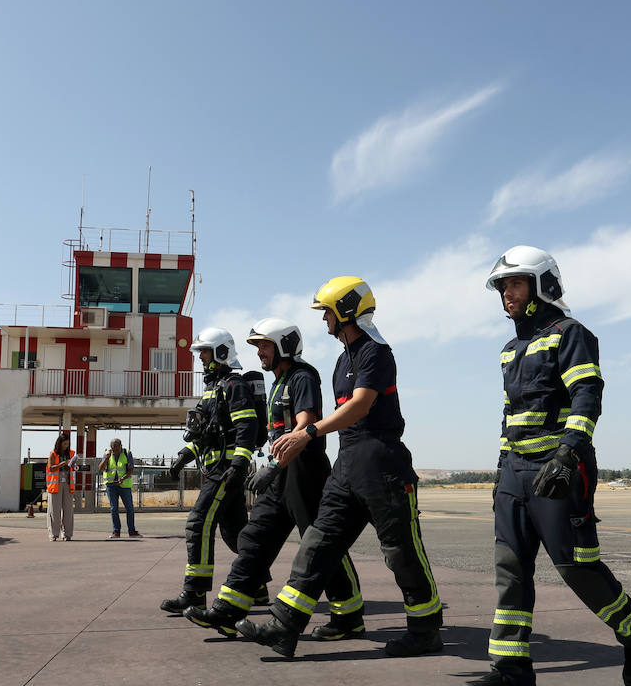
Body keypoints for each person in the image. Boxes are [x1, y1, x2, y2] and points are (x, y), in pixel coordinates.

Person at [458, 246, 631, 686]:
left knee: (577, 570)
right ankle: (511, 671)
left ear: (542, 285)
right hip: (515, 473)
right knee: (510, 570)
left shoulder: (571, 333)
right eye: (502, 286)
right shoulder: (510, 350)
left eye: (514, 283)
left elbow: (587, 394)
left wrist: (567, 455)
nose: (506, 293)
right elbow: (512, 416)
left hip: (559, 470)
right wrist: (500, 475)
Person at [237, 277, 443, 658]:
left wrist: (308, 432)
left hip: (381, 462)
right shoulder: (341, 360)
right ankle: (285, 626)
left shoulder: (375, 352)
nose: (324, 320)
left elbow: (361, 406)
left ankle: (426, 628)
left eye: (327, 312)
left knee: (401, 551)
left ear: (346, 310)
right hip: (347, 463)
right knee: (318, 542)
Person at [184, 318, 365, 639]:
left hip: (305, 471)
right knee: (255, 537)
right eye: (257, 347)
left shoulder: (302, 376)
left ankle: (349, 615)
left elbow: (305, 424)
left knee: (320, 543)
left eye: (265, 346)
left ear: (284, 346)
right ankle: (228, 609)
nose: (259, 354)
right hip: (283, 470)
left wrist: (274, 467)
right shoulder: (279, 381)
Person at [159, 328, 263, 614]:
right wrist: (184, 456)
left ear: (221, 352)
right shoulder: (212, 388)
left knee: (198, 523)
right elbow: (207, 435)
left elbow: (248, 428)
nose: (201, 357)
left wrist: (240, 462)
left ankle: (194, 593)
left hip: (226, 470)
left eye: (205, 351)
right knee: (235, 534)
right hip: (216, 467)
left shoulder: (234, 384)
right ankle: (258, 586)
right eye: (200, 352)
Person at [97, 437, 141, 538]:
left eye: (116, 448)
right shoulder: (107, 454)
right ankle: (116, 531)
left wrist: (123, 478)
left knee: (129, 508)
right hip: (111, 485)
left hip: (124, 485)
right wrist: (106, 458)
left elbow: (130, 470)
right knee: (114, 508)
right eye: (113, 449)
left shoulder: (127, 453)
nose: (115, 451)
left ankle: (132, 531)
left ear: (121, 446)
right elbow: (100, 469)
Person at [46, 432, 77, 542]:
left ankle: (67, 534)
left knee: (68, 511)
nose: (66, 446)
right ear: (59, 443)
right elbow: (51, 468)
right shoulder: (53, 454)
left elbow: (74, 467)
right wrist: (63, 464)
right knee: (55, 510)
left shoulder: (72, 453)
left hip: (68, 484)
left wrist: (74, 465)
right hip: (55, 485)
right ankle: (54, 534)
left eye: (68, 444)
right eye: (64, 444)